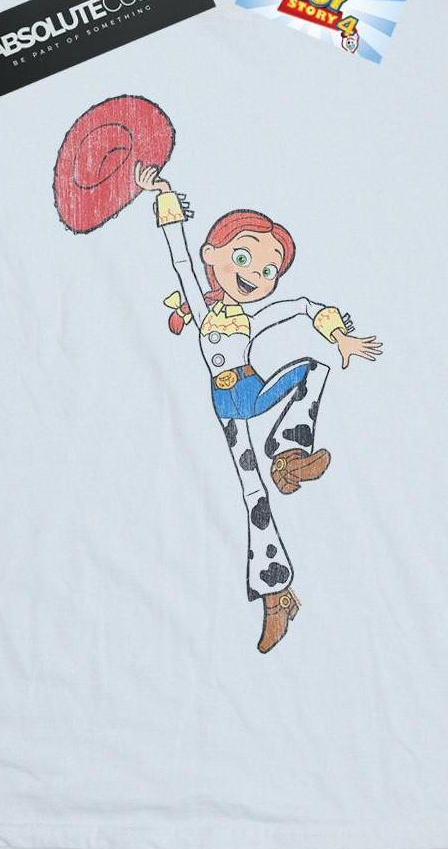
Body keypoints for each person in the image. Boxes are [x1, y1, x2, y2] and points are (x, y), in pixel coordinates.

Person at [134, 161, 382, 652]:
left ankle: (289, 457)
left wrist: (341, 337)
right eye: (244, 258)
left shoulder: (255, 315)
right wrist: (162, 193)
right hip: (226, 405)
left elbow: (305, 306)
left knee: (314, 368)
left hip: (251, 392)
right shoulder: (202, 306)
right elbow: (180, 257)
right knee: (254, 496)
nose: (255, 276)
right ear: (213, 254)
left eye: (268, 271)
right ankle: (277, 596)